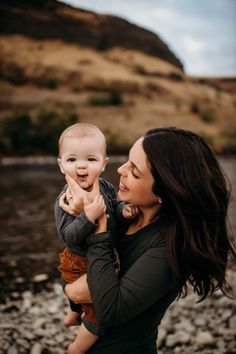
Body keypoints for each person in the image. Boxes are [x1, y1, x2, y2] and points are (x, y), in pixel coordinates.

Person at [61, 127, 236, 354]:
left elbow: (109, 309)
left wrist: (98, 226)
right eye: (127, 161)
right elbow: (74, 276)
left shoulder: (170, 249)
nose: (121, 170)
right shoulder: (123, 214)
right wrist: (84, 218)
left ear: (164, 192)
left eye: (135, 172)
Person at [55, 123, 137, 354]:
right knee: (98, 313)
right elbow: (67, 235)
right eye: (72, 160)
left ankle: (73, 314)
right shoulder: (66, 199)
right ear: (61, 165)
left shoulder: (106, 187)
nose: (81, 165)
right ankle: (76, 349)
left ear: (103, 164)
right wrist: (87, 217)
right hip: (78, 260)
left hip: (103, 256)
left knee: (88, 296)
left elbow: (115, 205)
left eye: (91, 159)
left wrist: (123, 211)